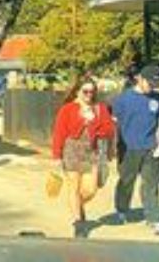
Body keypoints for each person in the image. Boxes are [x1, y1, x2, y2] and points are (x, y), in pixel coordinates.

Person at [52, 76, 116, 238]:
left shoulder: (99, 108)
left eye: (92, 92)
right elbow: (59, 132)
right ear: (78, 92)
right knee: (73, 186)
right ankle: (78, 223)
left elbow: (109, 130)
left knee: (90, 189)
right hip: (71, 149)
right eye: (85, 91)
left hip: (91, 151)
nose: (89, 94)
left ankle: (77, 207)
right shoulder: (68, 109)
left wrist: (93, 122)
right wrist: (57, 156)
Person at [112, 64, 159, 236]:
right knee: (126, 181)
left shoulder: (158, 99)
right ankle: (122, 209)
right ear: (140, 79)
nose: (151, 87)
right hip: (128, 148)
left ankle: (154, 219)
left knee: (151, 184)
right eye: (149, 82)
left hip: (150, 148)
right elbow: (115, 123)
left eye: (155, 84)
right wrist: (114, 147)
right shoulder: (123, 99)